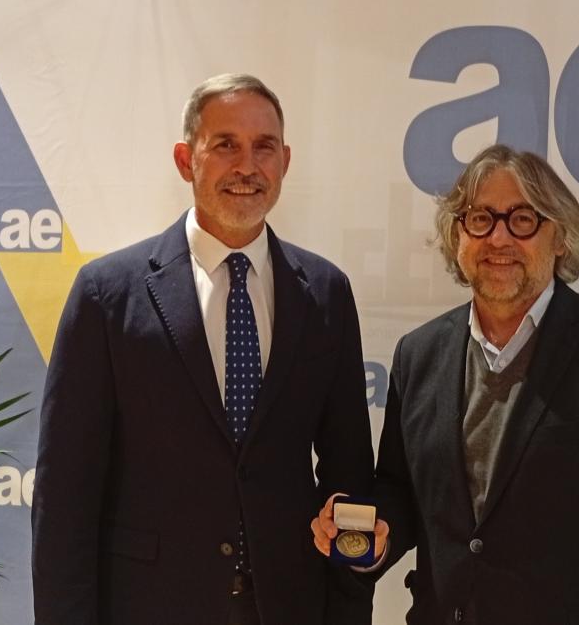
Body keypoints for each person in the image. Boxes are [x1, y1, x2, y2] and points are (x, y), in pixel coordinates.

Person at [313, 144, 579, 624]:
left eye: (523, 219)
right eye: (480, 219)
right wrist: (373, 532)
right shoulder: (418, 355)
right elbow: (403, 491)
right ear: (456, 236)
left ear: (561, 238)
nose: (499, 238)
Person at [33, 73, 375, 625]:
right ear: (184, 158)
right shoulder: (107, 294)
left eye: (264, 147)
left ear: (285, 161)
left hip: (289, 605)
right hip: (148, 607)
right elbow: (64, 498)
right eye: (225, 145)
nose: (247, 166)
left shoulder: (326, 293)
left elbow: (349, 476)